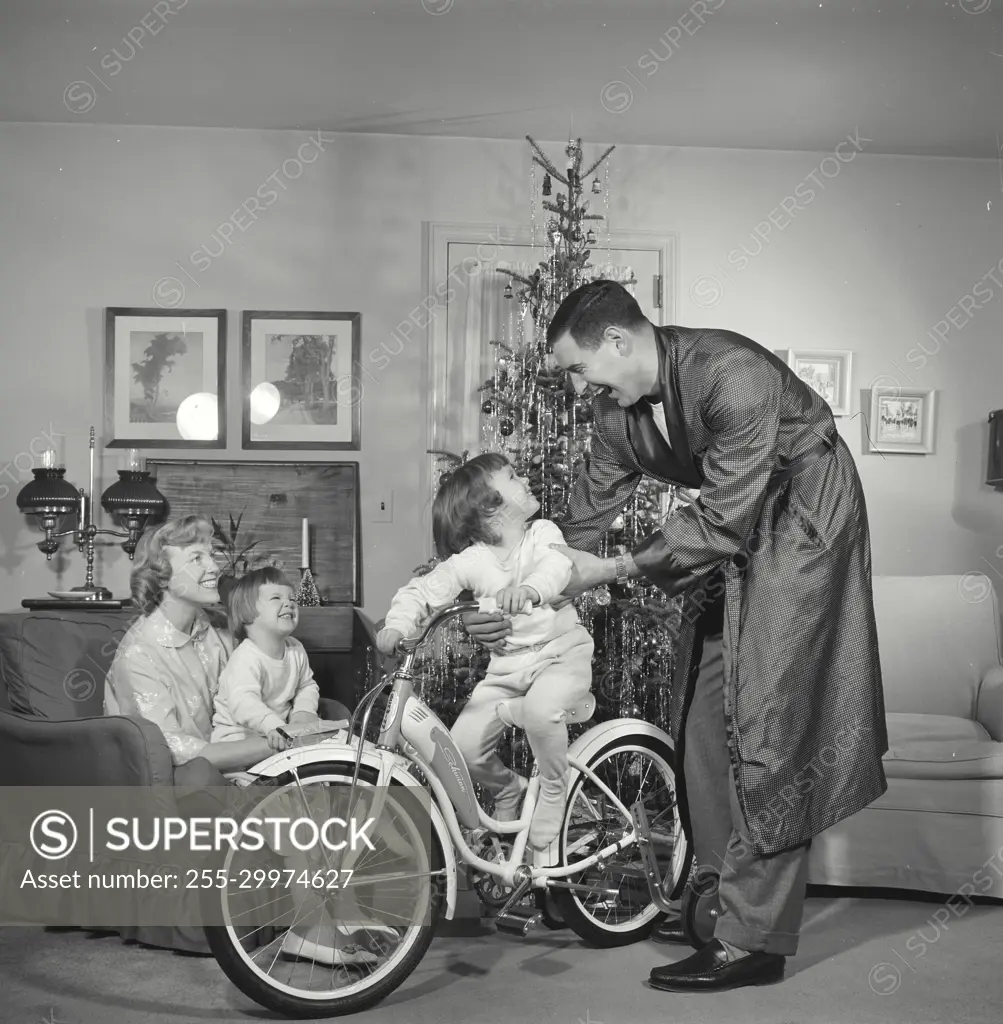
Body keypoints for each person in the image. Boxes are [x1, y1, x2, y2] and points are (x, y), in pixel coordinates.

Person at [463, 280, 888, 992]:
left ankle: (752, 939)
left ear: (620, 343)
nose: (575, 385)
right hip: (734, 525)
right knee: (701, 706)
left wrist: (618, 566)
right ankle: (717, 899)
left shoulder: (732, 374)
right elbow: (579, 526)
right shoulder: (613, 410)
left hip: (803, 520)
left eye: (577, 366)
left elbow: (721, 516)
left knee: (769, 722)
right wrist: (512, 592)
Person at [104, 515, 360, 962]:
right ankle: (312, 925)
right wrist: (285, 745)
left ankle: (331, 913)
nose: (215, 564)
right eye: (197, 556)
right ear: (162, 573)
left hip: (235, 762)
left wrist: (301, 721)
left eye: (213, 553)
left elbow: (256, 693)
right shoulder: (138, 654)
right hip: (176, 780)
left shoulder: (216, 632)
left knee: (314, 789)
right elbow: (175, 753)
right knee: (264, 792)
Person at [376, 453, 594, 849]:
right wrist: (397, 625)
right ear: (489, 508)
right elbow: (423, 591)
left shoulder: (541, 533)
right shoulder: (472, 561)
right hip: (508, 669)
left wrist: (530, 589)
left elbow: (556, 567)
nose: (524, 477)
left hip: (562, 653)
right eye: (512, 476)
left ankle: (552, 790)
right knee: (462, 747)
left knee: (543, 711)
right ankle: (509, 789)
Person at [211, 566, 325, 747]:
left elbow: (306, 685)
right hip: (238, 737)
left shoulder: (295, 649)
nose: (289, 603)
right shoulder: (246, 658)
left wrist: (303, 711)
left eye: (291, 598)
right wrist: (274, 725)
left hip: (278, 733)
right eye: (276, 598)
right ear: (247, 613)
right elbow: (243, 702)